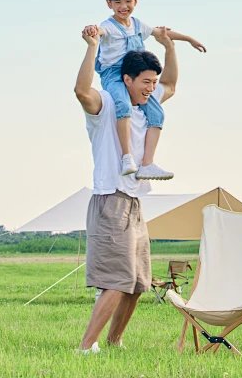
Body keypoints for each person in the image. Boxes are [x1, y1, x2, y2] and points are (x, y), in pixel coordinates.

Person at [74, 26, 178, 353]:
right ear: (127, 80)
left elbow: (171, 84)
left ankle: (114, 341)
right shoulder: (107, 103)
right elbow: (81, 91)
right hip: (110, 199)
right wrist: (92, 46)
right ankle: (86, 346)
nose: (151, 88)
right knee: (117, 280)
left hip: (133, 202)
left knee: (137, 283)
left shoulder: (147, 107)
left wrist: (169, 46)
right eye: (145, 82)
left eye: (153, 82)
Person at [83, 0, 206, 179]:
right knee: (123, 105)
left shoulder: (138, 25)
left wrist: (189, 39)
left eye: (128, 1)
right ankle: (127, 157)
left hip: (135, 72)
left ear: (136, 0)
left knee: (157, 113)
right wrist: (92, 31)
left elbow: (162, 32)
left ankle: (147, 163)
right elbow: (100, 31)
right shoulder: (109, 26)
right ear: (109, 4)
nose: (123, 6)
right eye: (117, 2)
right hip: (114, 74)